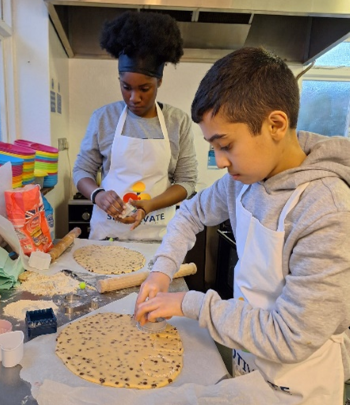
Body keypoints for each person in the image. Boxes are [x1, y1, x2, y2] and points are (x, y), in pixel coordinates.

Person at [134, 47, 350, 404]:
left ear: (275, 125)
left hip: (298, 384)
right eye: (212, 147)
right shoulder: (243, 181)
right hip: (247, 360)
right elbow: (189, 213)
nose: (219, 162)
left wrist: (191, 304)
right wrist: (161, 271)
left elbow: (290, 335)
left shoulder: (325, 210)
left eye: (226, 145)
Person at [73, 11, 197, 240]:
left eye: (144, 89)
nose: (133, 98)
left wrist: (149, 205)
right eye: (126, 87)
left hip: (157, 236)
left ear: (159, 81)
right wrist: (98, 195)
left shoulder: (177, 121)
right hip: (108, 235)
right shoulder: (103, 118)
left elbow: (187, 181)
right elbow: (82, 170)